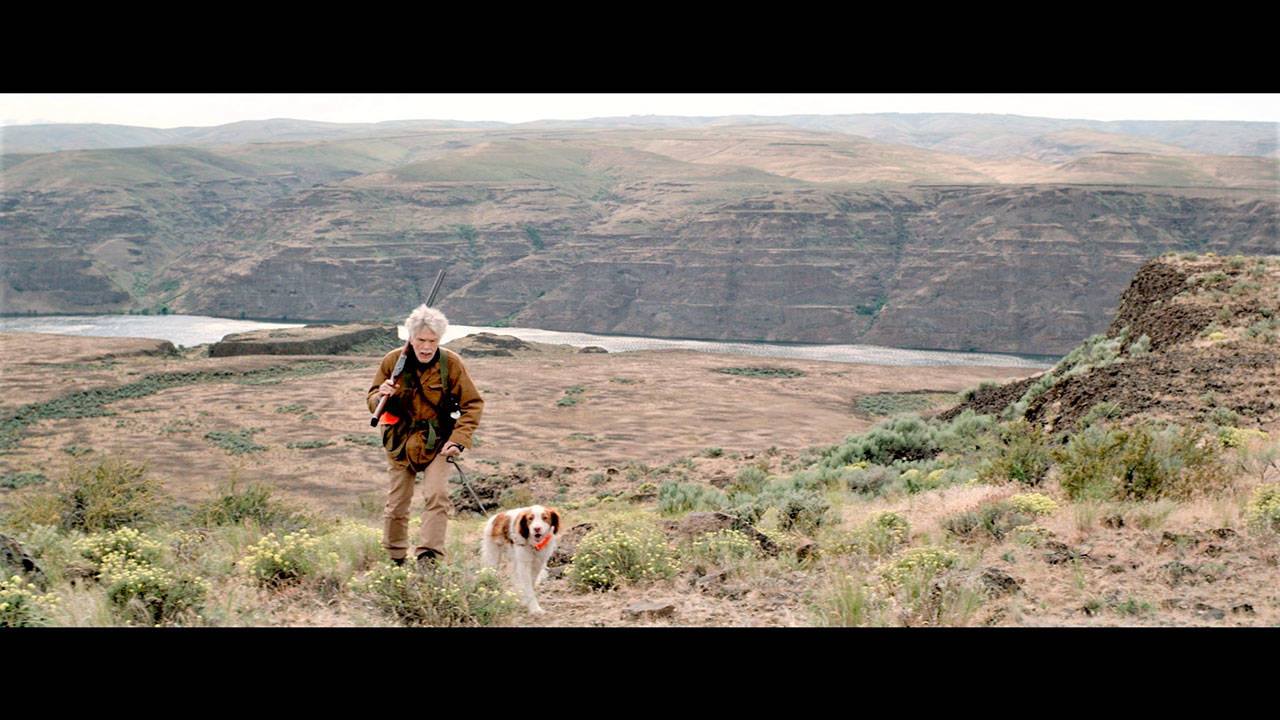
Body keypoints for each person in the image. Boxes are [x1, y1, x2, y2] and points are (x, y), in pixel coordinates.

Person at [367, 304, 483, 569]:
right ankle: (395, 558)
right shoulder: (392, 361)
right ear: (410, 338)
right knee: (397, 503)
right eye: (421, 340)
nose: (427, 347)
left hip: (439, 444)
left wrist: (458, 440)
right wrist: (381, 395)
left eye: (433, 341)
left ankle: (428, 558)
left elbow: (473, 405)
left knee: (437, 496)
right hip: (399, 444)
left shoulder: (451, 364)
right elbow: (372, 401)